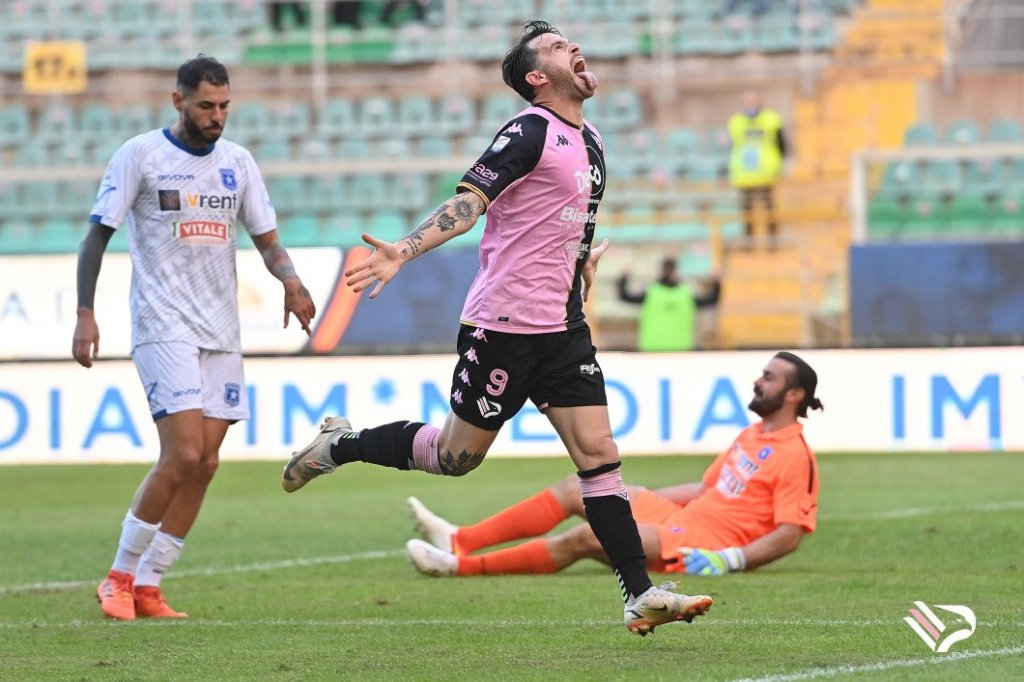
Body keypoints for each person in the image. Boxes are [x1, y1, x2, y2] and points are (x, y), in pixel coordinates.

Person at [282, 20, 713, 636]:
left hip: (562, 327)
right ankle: (339, 445)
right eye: (560, 46)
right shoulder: (528, 130)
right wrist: (406, 247)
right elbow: (471, 202)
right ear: (538, 78)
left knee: (600, 458)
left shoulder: (591, 141)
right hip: (504, 325)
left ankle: (638, 593)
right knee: (455, 458)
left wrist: (580, 265)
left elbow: (563, 221)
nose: (575, 47)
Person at [73, 55, 316, 621]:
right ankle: (118, 576)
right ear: (178, 100)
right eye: (206, 105)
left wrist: (293, 282)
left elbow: (268, 239)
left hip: (221, 328)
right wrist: (85, 312)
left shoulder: (239, 163)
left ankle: (151, 584)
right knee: (180, 453)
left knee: (206, 462)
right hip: (163, 325)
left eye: (225, 106)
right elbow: (95, 238)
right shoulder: (140, 155)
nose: (217, 116)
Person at [404, 351, 822, 580]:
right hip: (682, 516)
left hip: (701, 542)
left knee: (590, 535)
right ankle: (462, 539)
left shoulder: (794, 456)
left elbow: (789, 534)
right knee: (578, 488)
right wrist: (632, 503)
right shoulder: (752, 435)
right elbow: (705, 490)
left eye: (769, 377)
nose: (758, 381)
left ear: (793, 395)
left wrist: (733, 560)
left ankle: (460, 567)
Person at [617, 257, 720, 351]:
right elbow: (625, 296)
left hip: (681, 349)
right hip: (653, 350)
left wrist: (716, 283)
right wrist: (623, 278)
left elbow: (711, 300)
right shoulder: (652, 292)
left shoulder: (685, 294)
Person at [727, 91, 788, 242]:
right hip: (744, 174)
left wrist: (779, 166)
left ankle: (772, 239)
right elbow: (733, 146)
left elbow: (782, 145)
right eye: (748, 101)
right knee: (747, 210)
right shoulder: (736, 121)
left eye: (754, 100)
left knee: (768, 208)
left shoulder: (772, 119)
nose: (751, 104)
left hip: (766, 173)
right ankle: (749, 240)